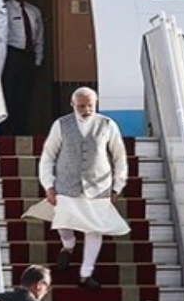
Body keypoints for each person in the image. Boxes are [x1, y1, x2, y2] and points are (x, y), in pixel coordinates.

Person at [38, 87, 131, 290]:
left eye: (90, 105)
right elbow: (48, 155)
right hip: (66, 183)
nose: (87, 110)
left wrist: (118, 186)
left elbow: (119, 156)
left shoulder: (107, 124)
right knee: (63, 223)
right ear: (72, 105)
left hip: (99, 186)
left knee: (94, 229)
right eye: (81, 106)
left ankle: (85, 273)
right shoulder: (61, 124)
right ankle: (69, 244)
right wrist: (48, 184)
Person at [0, 0, 45, 135]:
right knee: (9, 95)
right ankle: (7, 132)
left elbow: (39, 37)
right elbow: (1, 35)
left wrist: (38, 60)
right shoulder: (5, 9)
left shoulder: (34, 11)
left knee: (24, 96)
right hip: (12, 55)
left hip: (28, 57)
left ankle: (21, 131)